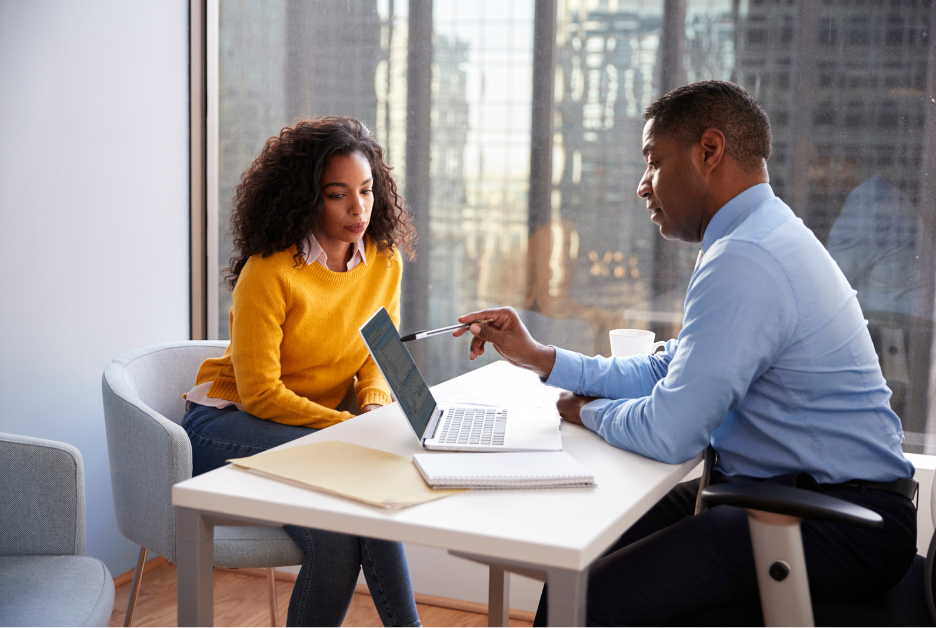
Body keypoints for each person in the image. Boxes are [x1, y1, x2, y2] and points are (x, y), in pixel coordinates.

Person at [454, 81, 917, 625]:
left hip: (834, 521)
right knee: (577, 567)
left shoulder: (746, 256)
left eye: (653, 161)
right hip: (790, 497)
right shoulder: (757, 234)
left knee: (584, 602)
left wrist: (585, 410)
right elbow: (668, 367)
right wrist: (543, 359)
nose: (641, 186)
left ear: (709, 151)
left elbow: (670, 432)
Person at [181, 116, 421, 627]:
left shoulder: (384, 261)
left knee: (339, 538)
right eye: (338, 195)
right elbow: (263, 394)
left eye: (366, 190)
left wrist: (375, 407)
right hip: (228, 423)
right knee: (357, 484)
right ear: (306, 198)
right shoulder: (268, 273)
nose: (358, 208)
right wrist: (351, 429)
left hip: (308, 427)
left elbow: (376, 359)